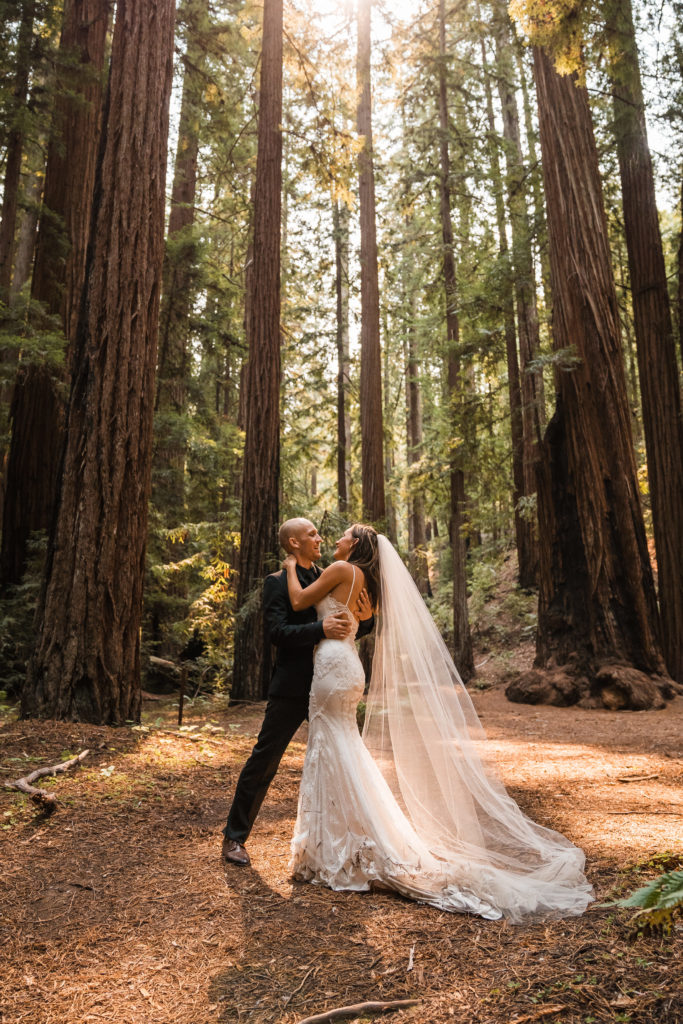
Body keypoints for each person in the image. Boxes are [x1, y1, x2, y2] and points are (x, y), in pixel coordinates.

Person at [282, 523, 594, 922]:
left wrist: (292, 565)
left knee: (331, 746)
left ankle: (335, 845)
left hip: (331, 666)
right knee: (344, 748)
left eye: (342, 537)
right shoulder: (369, 586)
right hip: (349, 668)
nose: (335, 541)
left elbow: (297, 601)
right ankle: (343, 840)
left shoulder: (342, 571)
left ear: (355, 544)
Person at [221, 518, 374, 867]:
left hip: (330, 683)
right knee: (265, 759)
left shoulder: (336, 573)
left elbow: (353, 625)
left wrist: (362, 620)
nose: (319, 538)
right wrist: (319, 628)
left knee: (342, 757)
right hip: (294, 685)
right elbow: (277, 632)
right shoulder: (277, 582)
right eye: (311, 535)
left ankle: (345, 839)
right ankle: (234, 837)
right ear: (293, 543)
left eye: (319, 534)